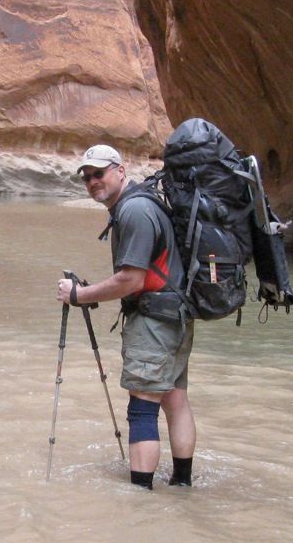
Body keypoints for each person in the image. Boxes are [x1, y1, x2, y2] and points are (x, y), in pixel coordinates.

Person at [55, 144, 196, 488]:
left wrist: (80, 295)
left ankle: (140, 498)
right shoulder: (145, 204)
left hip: (153, 323)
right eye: (87, 177)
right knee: (175, 401)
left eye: (99, 174)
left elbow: (131, 279)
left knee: (142, 409)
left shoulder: (133, 211)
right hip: (175, 317)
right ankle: (182, 486)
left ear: (120, 170)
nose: (92, 182)